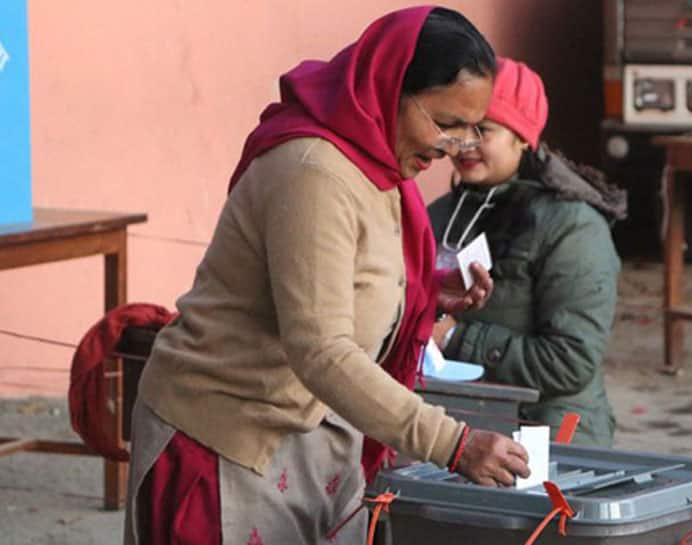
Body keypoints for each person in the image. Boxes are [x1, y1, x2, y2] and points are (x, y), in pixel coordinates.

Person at [124, 8, 530, 545]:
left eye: (470, 127)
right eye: (445, 123)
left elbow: (337, 271)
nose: (453, 146)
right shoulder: (314, 171)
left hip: (313, 438)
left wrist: (421, 290)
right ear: (389, 89)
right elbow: (320, 348)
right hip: (229, 439)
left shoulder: (379, 161)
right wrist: (452, 443)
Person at [428, 58, 627, 447]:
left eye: (482, 130)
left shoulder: (572, 226)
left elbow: (571, 361)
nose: (464, 143)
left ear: (522, 137)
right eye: (455, 127)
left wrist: (455, 339)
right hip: (452, 429)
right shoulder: (439, 215)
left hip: (547, 438)